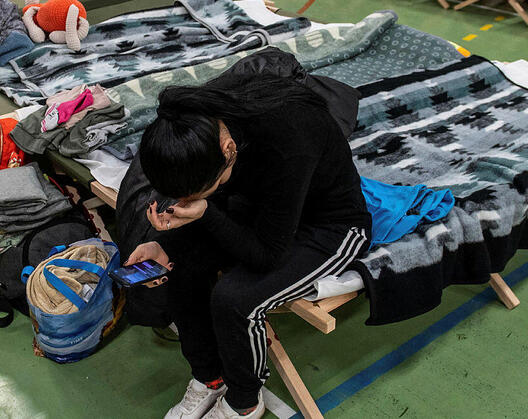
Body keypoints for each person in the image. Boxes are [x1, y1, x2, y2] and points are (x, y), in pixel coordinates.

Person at [126, 74, 371, 419]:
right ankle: (209, 379)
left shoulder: (289, 139)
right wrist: (164, 245)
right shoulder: (201, 118)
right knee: (180, 265)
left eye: (196, 193)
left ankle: (244, 403)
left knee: (235, 300)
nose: (185, 202)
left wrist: (207, 212)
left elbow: (267, 255)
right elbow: (229, 204)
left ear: (228, 151)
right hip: (262, 208)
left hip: (329, 225)